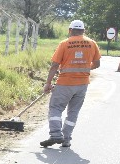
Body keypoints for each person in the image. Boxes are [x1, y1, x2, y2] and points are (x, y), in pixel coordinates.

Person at [40, 19, 101, 148]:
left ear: (70, 30)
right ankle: (66, 139)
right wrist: (82, 69)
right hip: (82, 85)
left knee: (55, 108)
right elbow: (97, 64)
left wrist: (48, 83)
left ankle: (56, 134)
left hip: (64, 83)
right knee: (73, 112)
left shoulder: (64, 44)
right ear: (84, 31)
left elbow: (55, 65)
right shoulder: (92, 43)